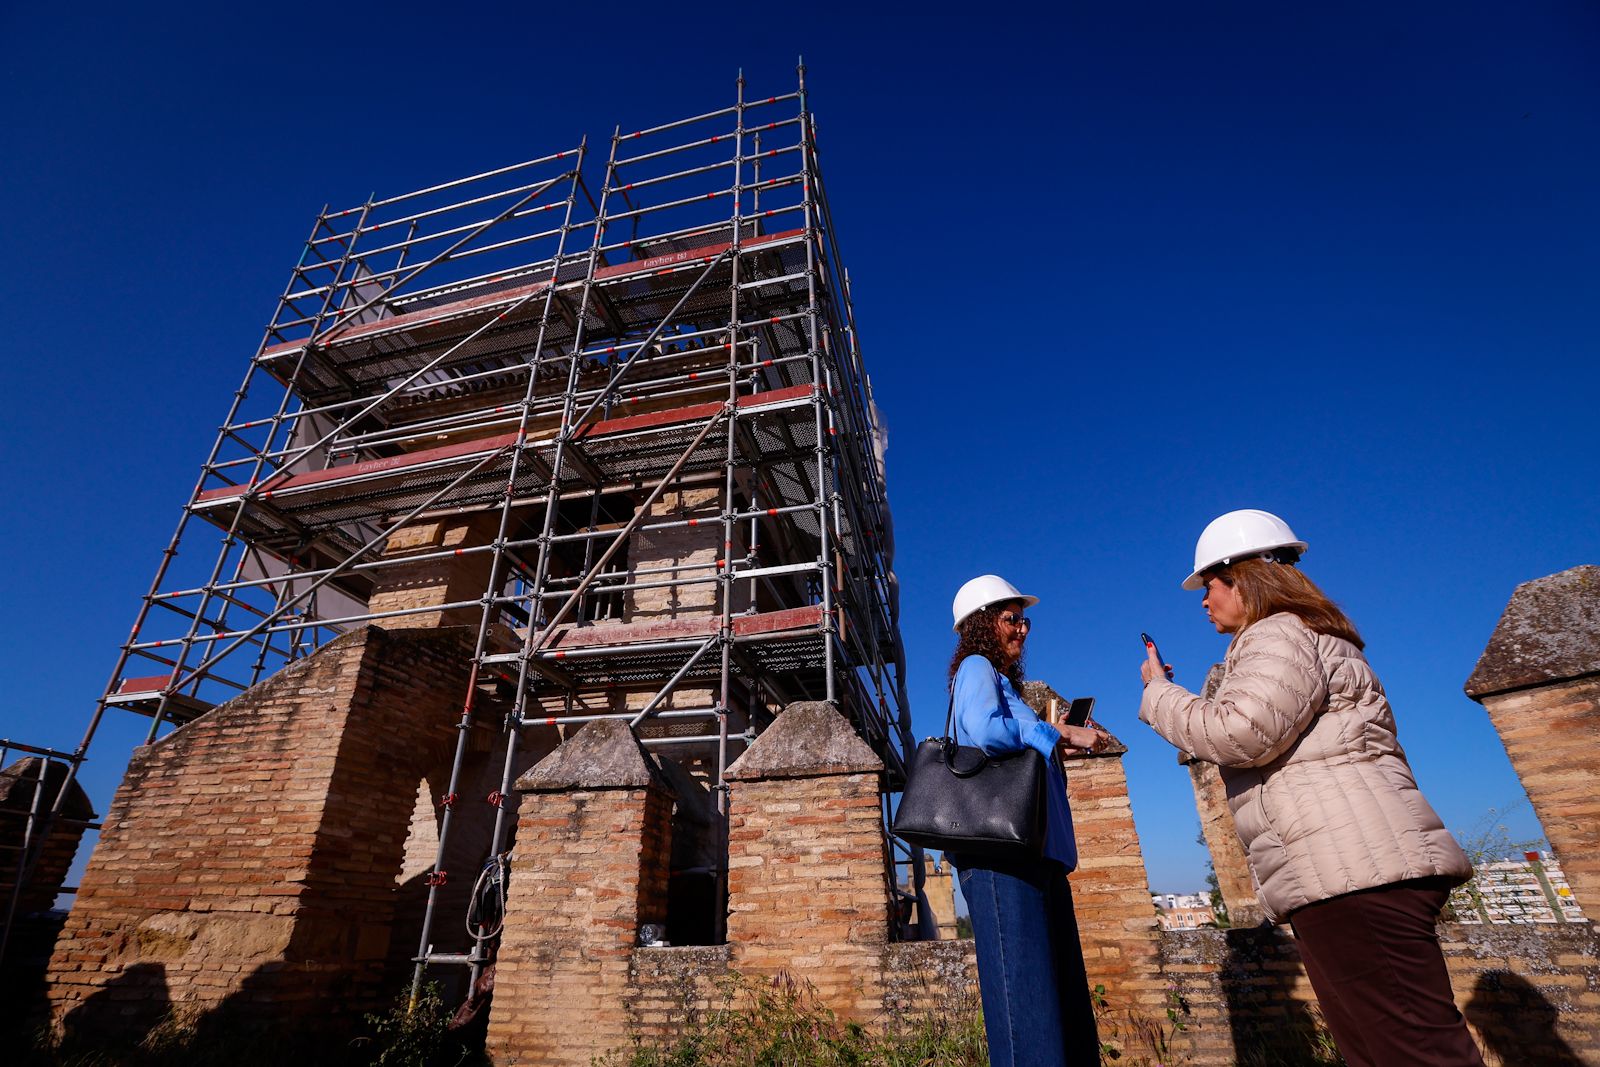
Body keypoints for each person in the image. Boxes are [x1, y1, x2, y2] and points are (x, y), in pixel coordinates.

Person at [1136, 510, 1483, 1067]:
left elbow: (1240, 733)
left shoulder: (1278, 632)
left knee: (1414, 1051)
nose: (1203, 601)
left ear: (1244, 578)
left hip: (1352, 872)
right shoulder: (1311, 634)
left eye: (1210, 586)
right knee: (1379, 1049)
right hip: (1351, 867)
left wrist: (1159, 693)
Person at [946, 574, 1107, 1067]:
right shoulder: (976, 666)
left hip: (1035, 856)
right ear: (980, 625)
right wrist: (1055, 732)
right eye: (1010, 618)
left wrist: (1050, 738)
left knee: (1060, 1006)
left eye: (1024, 619)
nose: (1022, 629)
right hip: (1002, 860)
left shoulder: (1001, 682)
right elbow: (985, 732)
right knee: (1027, 1013)